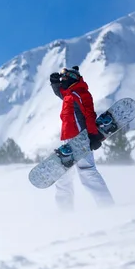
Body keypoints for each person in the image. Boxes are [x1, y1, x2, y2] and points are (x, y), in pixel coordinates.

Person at [49, 66, 114, 211]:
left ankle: (108, 208)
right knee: (63, 176)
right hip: (68, 139)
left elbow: (89, 115)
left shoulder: (81, 94)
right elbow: (61, 92)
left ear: (72, 78)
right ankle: (65, 213)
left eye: (64, 78)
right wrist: (54, 84)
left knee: (87, 172)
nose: (62, 80)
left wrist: (93, 136)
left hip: (81, 138)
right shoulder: (70, 94)